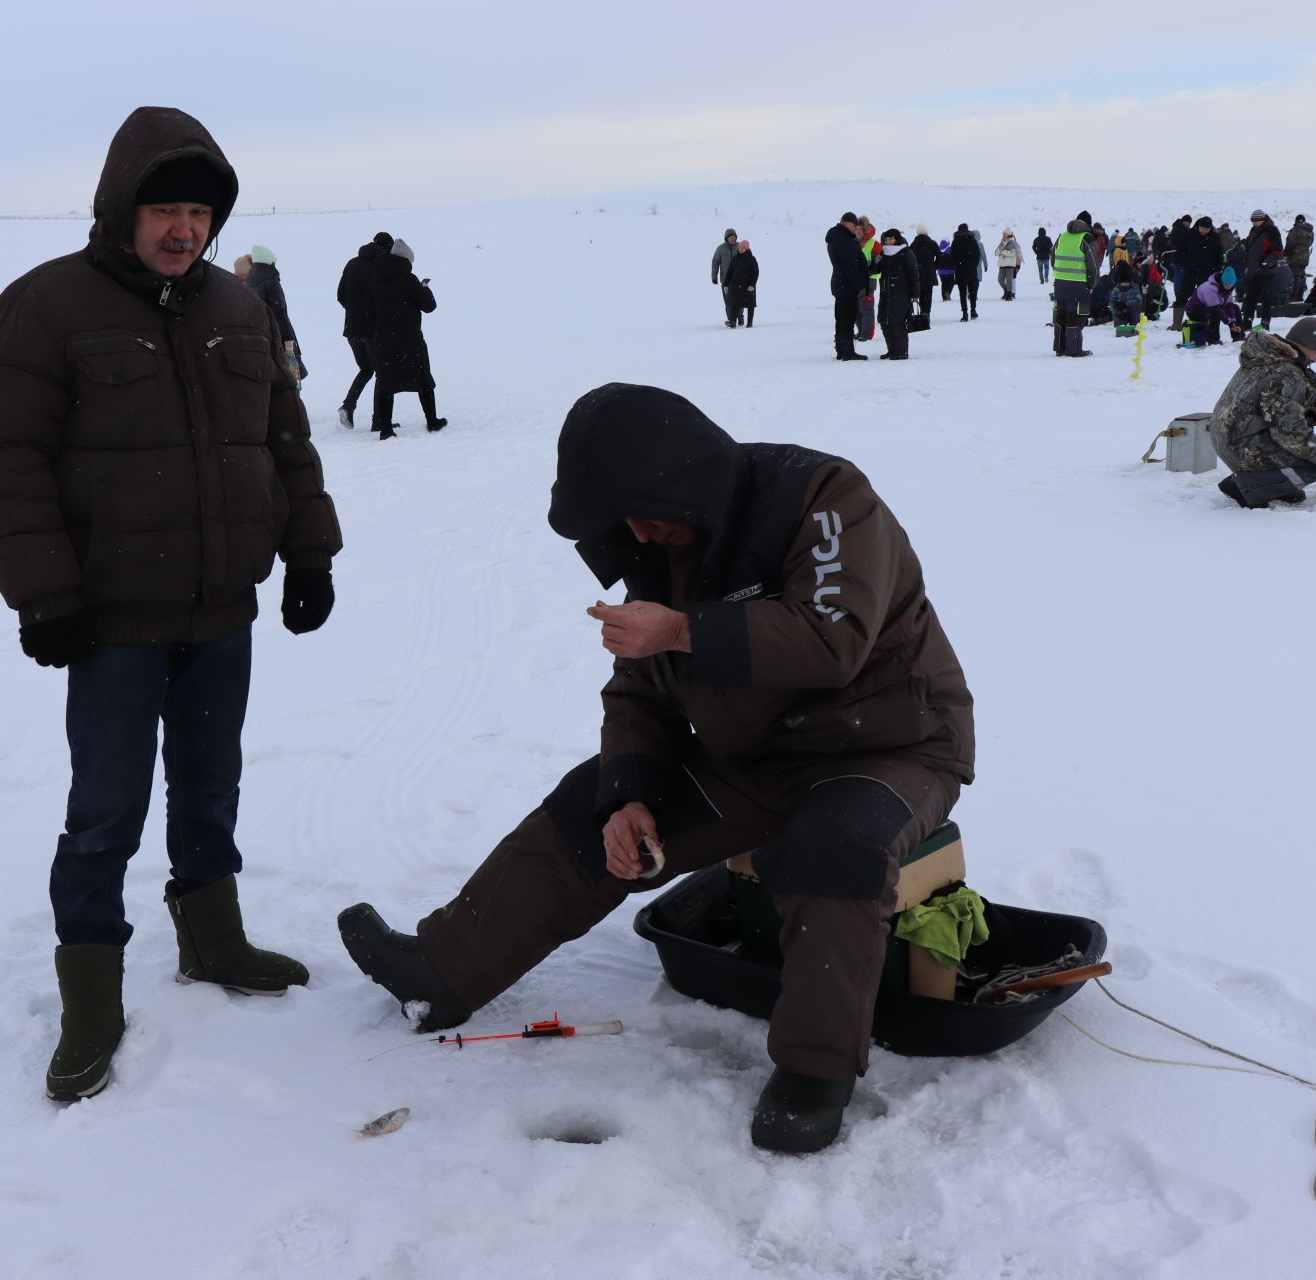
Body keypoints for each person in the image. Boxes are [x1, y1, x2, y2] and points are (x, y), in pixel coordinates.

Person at [338, 382, 975, 1154]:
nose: (636, 530)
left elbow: (829, 638)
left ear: (685, 477)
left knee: (834, 848)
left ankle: (816, 1072)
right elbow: (641, 686)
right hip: (754, 758)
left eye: (645, 507)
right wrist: (629, 793)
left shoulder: (827, 498)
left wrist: (680, 628)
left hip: (892, 746)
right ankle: (441, 971)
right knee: (590, 808)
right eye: (621, 520)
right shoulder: (660, 548)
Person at [0, 106, 342, 1103]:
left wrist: (310, 553)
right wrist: (43, 595)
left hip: (222, 609)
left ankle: (213, 937)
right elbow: (7, 463)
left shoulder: (241, 306)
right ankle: (92, 990)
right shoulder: (44, 308)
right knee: (105, 812)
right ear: (120, 208)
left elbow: (285, 442)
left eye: (199, 210)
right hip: (113, 622)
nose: (184, 228)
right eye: (164, 208)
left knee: (210, 783)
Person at [1209, 318, 1316, 508]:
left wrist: (1306, 414)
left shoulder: (1267, 356)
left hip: (1226, 438)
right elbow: (1288, 432)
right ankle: (1247, 488)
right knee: (1314, 464)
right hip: (1240, 446)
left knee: (1303, 451)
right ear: (1308, 344)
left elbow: (1266, 409)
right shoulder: (1287, 373)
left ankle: (1260, 483)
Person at [368, 239, 445, 436]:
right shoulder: (409, 279)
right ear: (406, 260)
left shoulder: (377, 277)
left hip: (384, 339)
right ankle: (432, 421)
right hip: (409, 339)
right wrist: (425, 288)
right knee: (423, 380)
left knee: (386, 383)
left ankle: (385, 429)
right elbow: (429, 306)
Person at [335, 232, 390, 426]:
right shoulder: (383, 265)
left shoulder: (351, 263)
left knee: (367, 369)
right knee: (381, 372)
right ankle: (379, 420)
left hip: (352, 328)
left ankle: (348, 405)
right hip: (373, 329)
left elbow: (340, 295)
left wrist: (354, 312)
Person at [244, 245, 305, 380]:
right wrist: (290, 342)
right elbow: (280, 314)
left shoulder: (250, 279)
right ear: (269, 261)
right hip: (278, 337)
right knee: (291, 379)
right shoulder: (270, 280)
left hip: (261, 335)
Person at [1051, 215, 1100, 357]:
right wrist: (1092, 284)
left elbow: (1053, 257)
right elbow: (1093, 266)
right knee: (1076, 316)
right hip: (1079, 285)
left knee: (1061, 314)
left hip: (1060, 283)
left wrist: (1060, 273)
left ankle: (1060, 348)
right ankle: (1074, 349)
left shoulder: (1061, 237)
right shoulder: (1087, 239)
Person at [826, 213, 870, 361]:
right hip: (847, 285)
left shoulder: (837, 237)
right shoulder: (843, 239)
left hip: (841, 283)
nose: (856, 228)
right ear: (845, 223)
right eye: (854, 224)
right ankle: (847, 351)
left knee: (841, 319)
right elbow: (850, 265)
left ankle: (841, 349)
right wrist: (859, 284)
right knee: (847, 319)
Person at [1237, 210, 1284, 330]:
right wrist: (1244, 244)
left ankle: (1265, 322)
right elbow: (1250, 244)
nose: (1254, 224)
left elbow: (1278, 251)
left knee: (1266, 298)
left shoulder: (1272, 231)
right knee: (1250, 298)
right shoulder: (1253, 230)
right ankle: (1247, 323)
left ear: (1263, 220)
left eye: (1256, 221)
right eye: (1252, 222)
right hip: (1253, 270)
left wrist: (1268, 262)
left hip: (1267, 271)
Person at [876, 228, 917, 359]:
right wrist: (877, 261)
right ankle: (892, 350)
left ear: (896, 239)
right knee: (884, 322)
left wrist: (915, 294)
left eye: (890, 239)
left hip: (901, 293)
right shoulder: (884, 253)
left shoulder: (906, 252)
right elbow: (874, 271)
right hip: (886, 293)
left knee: (897, 323)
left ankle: (902, 351)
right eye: (886, 239)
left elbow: (913, 274)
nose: (888, 242)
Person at [1182, 267, 1242, 348]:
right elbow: (1215, 309)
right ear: (1222, 281)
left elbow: (1229, 306)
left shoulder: (1228, 290)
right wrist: (1229, 323)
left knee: (1236, 308)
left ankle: (1237, 336)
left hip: (1209, 308)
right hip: (1194, 311)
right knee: (1215, 313)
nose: (1228, 287)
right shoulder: (1209, 288)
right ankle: (1213, 340)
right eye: (1226, 284)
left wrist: (1233, 322)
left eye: (1230, 285)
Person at [723, 239, 758, 328]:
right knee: (734, 304)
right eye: (739, 248)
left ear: (746, 249)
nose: (740, 249)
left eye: (742, 248)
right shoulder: (735, 259)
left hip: (748, 287)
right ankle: (733, 322)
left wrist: (752, 285)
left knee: (750, 305)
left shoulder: (752, 259)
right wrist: (726, 284)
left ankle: (749, 322)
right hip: (736, 286)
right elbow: (729, 273)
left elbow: (755, 273)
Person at [949, 223, 981, 320]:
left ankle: (965, 313)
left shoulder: (955, 240)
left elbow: (952, 255)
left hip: (960, 269)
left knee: (962, 292)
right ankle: (973, 310)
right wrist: (973, 264)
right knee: (972, 291)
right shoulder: (972, 240)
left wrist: (956, 265)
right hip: (971, 269)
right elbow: (977, 254)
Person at [909, 225, 939, 328]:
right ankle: (927, 313)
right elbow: (939, 257)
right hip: (929, 274)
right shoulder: (932, 243)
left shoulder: (913, 244)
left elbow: (909, 259)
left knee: (920, 294)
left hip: (918, 274)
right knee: (928, 295)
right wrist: (934, 267)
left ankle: (922, 312)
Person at [711, 228, 740, 318]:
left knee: (739, 300)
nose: (733, 239)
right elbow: (715, 262)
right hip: (725, 280)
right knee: (728, 301)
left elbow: (747, 261)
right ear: (726, 238)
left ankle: (740, 317)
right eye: (731, 237)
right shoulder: (720, 248)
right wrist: (714, 276)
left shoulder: (740, 247)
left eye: (734, 237)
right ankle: (731, 319)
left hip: (739, 279)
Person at [1284, 214, 1313, 295]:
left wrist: (1286, 255)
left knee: (1295, 277)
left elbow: (1289, 244)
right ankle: (1301, 294)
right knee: (1302, 275)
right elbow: (1309, 243)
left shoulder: (1294, 231)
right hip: (1305, 257)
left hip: (1295, 257)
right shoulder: (1309, 231)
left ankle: (1295, 296)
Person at [995, 228, 1023, 301]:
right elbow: (996, 252)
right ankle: (1006, 291)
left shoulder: (1013, 242)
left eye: (1004, 234)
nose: (1003, 235)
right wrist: (1001, 250)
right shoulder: (1002, 242)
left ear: (1008, 234)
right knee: (1000, 280)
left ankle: (1009, 294)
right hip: (1002, 264)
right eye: (1003, 234)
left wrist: (1003, 252)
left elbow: (1012, 253)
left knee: (1009, 280)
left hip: (1010, 265)